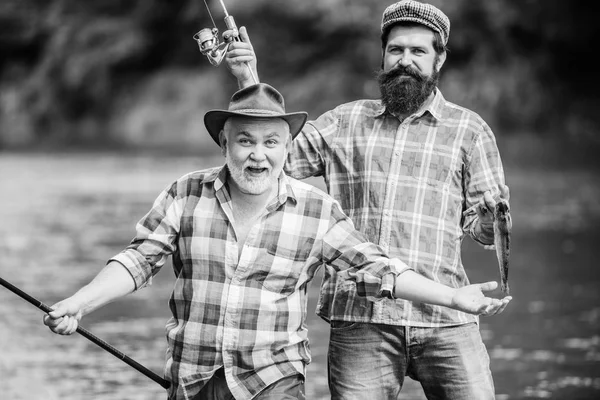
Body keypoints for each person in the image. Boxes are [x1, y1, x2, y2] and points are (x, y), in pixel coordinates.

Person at [43, 83, 510, 400]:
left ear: (289, 149)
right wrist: (80, 302)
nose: (258, 154)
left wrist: (452, 296)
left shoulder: (316, 209)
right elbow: (138, 260)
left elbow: (379, 268)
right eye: (245, 140)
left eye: (272, 142)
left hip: (274, 381)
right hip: (193, 379)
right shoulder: (185, 192)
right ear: (223, 142)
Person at [225, 1, 512, 399]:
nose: (404, 61)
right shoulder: (345, 121)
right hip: (361, 316)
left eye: (418, 52)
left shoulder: (470, 130)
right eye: (396, 50)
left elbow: (484, 234)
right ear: (383, 54)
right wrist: (248, 76)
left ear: (439, 58)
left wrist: (489, 220)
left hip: (447, 315)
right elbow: (272, 156)